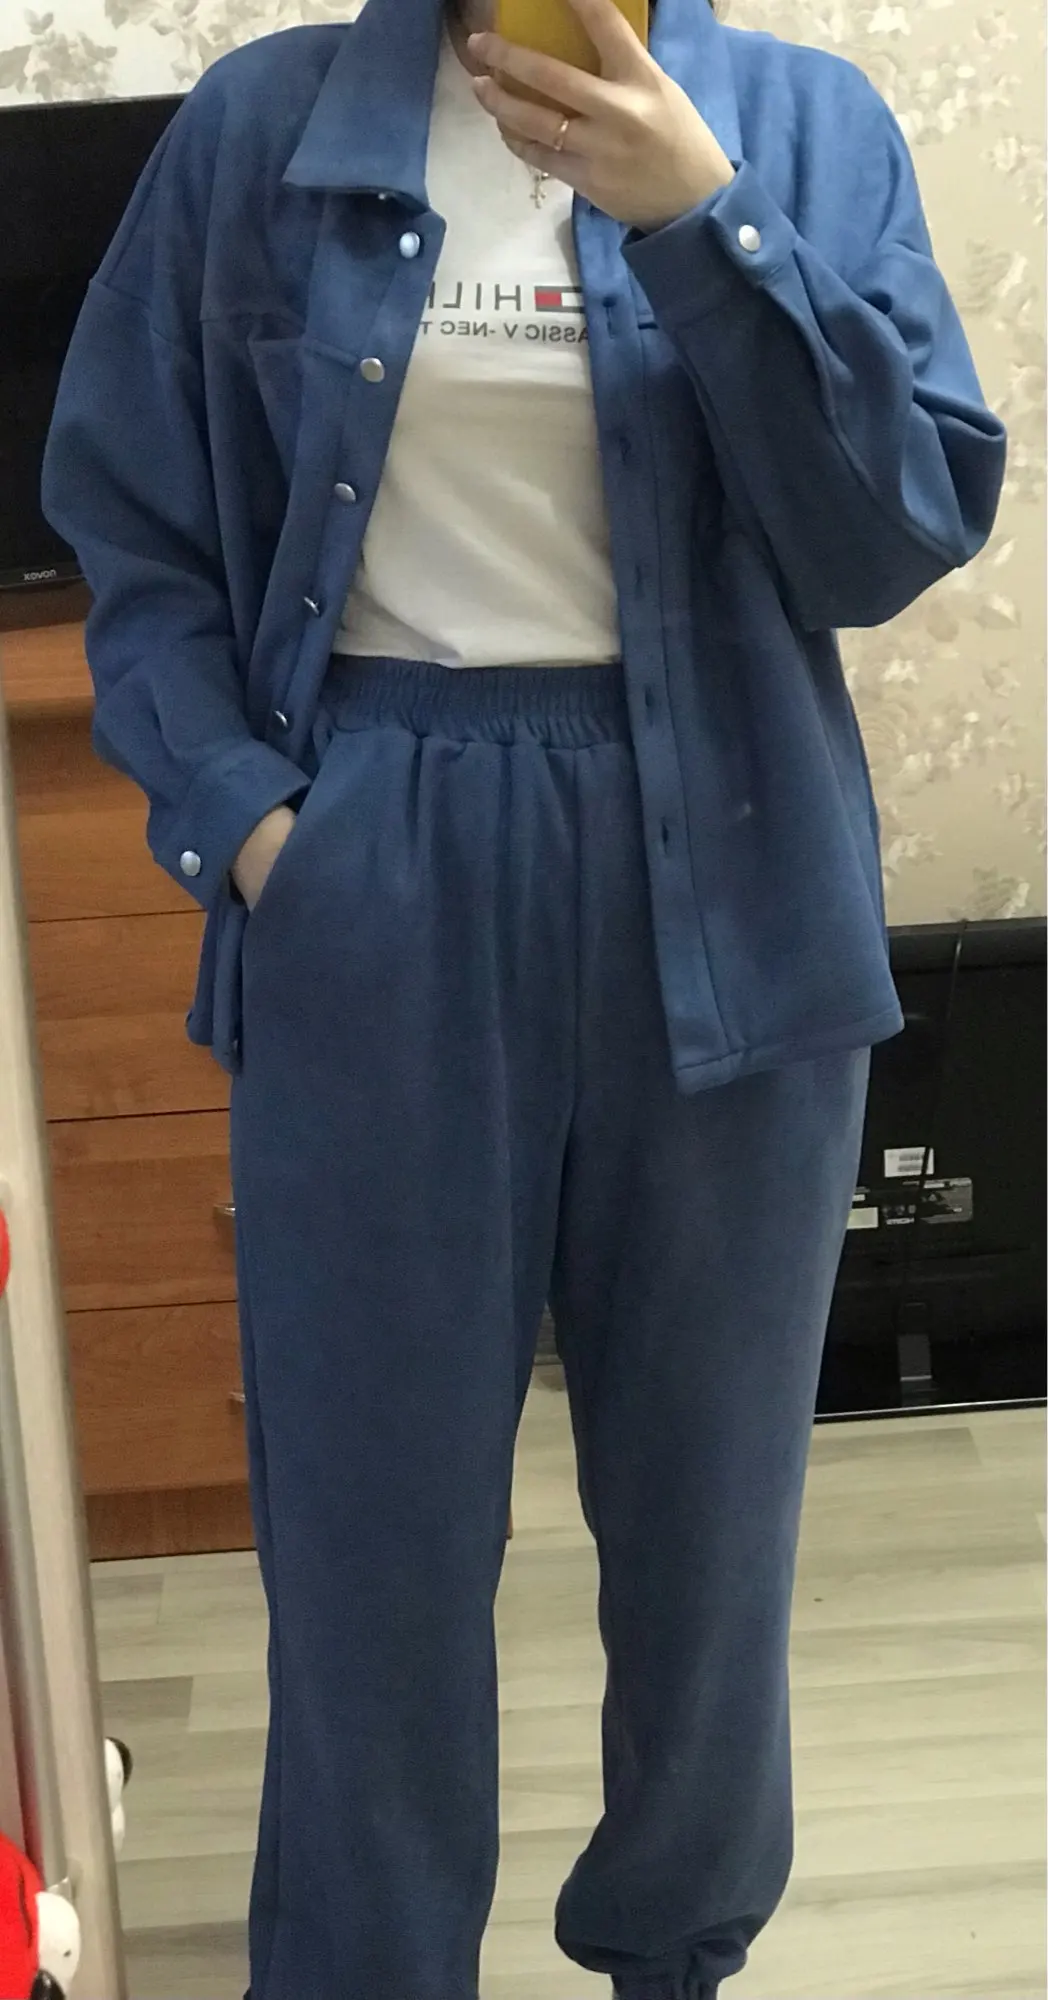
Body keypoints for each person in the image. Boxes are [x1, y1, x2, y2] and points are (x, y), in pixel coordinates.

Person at [41, 0, 1005, 1992]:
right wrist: (255, 831)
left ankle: (676, 1957)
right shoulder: (264, 129)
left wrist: (705, 220)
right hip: (376, 867)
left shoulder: (799, 126)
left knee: (709, 1536)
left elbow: (892, 535)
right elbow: (132, 524)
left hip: (731, 861)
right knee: (371, 1547)